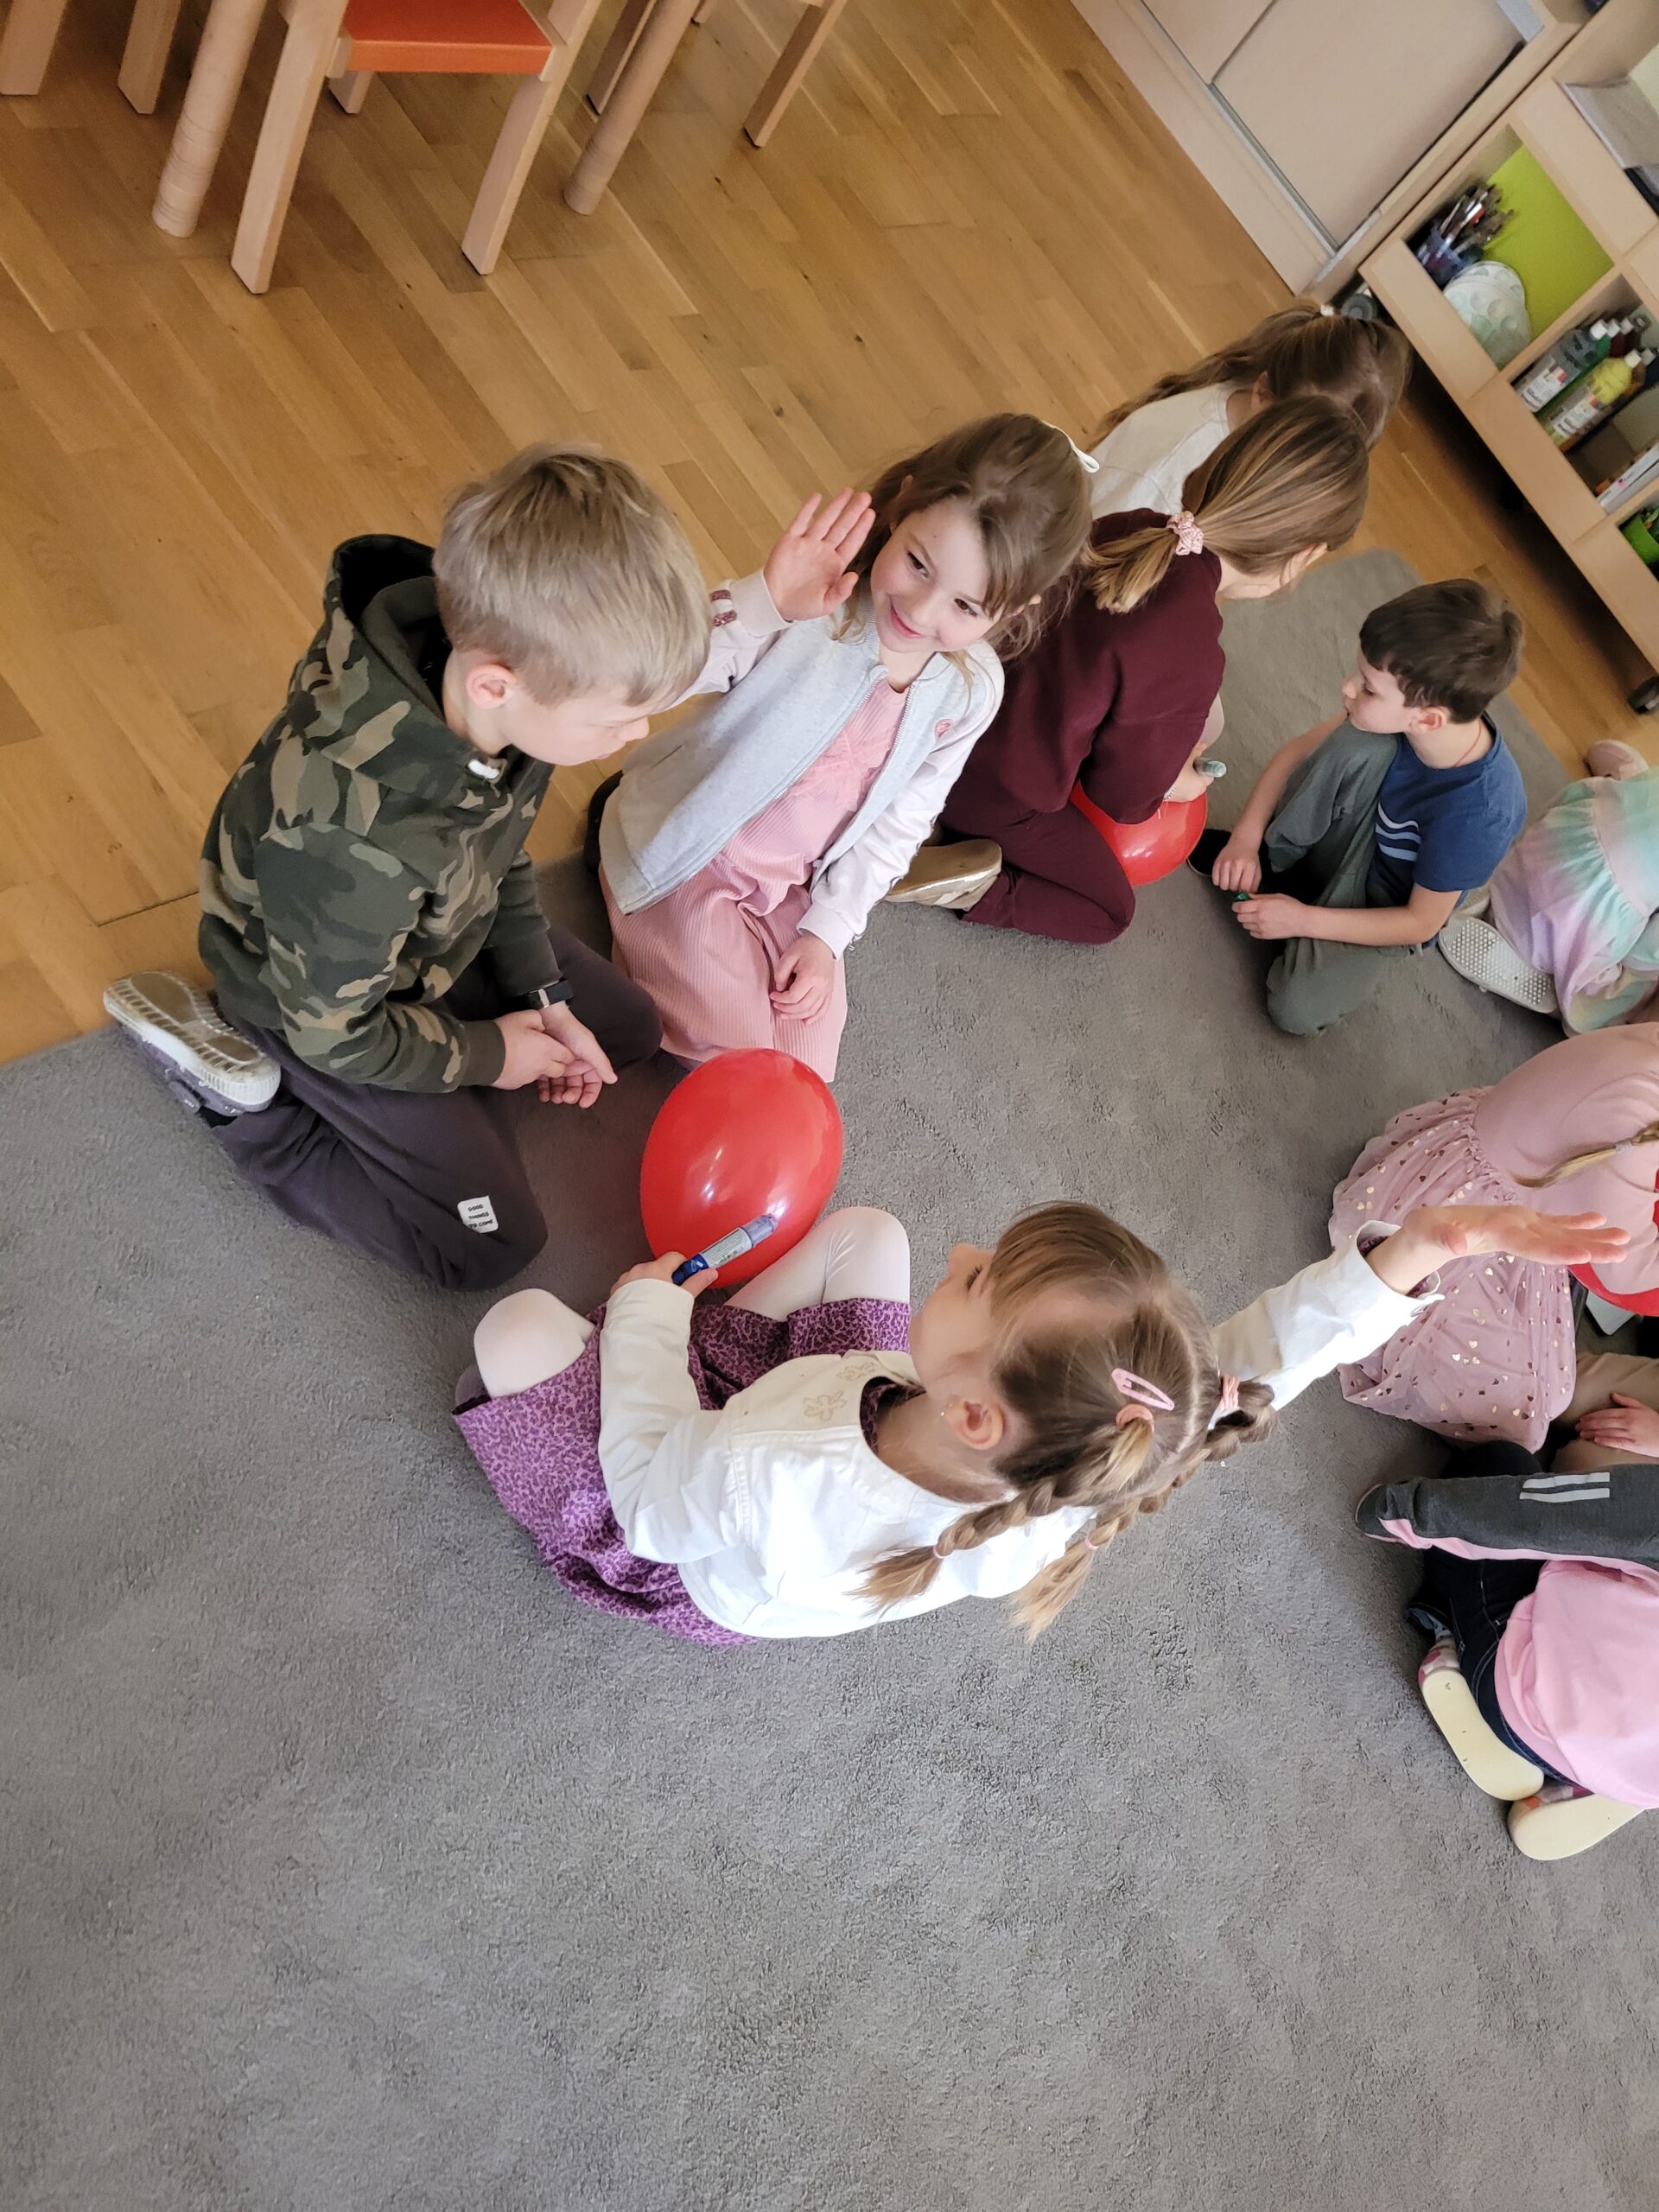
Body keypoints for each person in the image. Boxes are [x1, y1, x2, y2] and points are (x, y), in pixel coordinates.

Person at [454, 1198, 1624, 1644]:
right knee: (871, 1234)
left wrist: (649, 1318)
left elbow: (655, 1502)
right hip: (832, 1424)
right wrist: (1420, 1250)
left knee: (517, 1332)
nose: (963, 1250)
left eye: (977, 1278)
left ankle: (657, 1330)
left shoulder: (776, 1465)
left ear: (976, 1409)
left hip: (695, 1522)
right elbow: (1259, 1363)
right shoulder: (1086, 1460)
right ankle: (683, 1334)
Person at [102, 447, 709, 1292]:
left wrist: (543, 996)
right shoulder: (358, 844)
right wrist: (489, 1056)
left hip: (426, 938)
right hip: (318, 1011)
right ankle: (251, 1109)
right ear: (496, 685)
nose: (635, 736)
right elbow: (336, 1031)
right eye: (616, 719)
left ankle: (449, 1094)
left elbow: (496, 858)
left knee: (629, 1031)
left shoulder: (502, 698)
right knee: (491, 1246)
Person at [593, 416, 1095, 1080]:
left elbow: (901, 823)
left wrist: (827, 934)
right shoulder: (810, 608)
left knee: (804, 1061)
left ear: (1015, 609)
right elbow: (662, 673)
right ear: (902, 505)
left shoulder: (971, 692)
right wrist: (765, 601)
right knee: (737, 1055)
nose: (920, 611)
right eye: (917, 564)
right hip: (685, 855)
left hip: (787, 890)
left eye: (966, 607)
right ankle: (643, 953)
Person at [912, 397, 1368, 944]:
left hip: (939, 711)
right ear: (1304, 556)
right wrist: (1174, 784)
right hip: (988, 789)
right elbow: (1121, 800)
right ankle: (962, 882)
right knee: (1108, 911)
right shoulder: (1192, 652)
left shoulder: (1137, 527)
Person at [1196, 578, 1527, 1034]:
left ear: (1427, 720)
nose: (1348, 687)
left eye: (1368, 688)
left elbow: (1418, 924)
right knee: (1357, 737)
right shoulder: (1395, 717)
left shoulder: (1483, 814)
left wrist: (1303, 919)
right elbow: (1296, 752)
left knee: (1295, 1010)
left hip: (1385, 906)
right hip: (1355, 840)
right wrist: (1246, 839)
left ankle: (1300, 903)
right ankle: (1279, 862)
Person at [1358, 1386, 1659, 1858]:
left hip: (1525, 1691)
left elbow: (1539, 1517)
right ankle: (1598, 1780)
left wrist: (1397, 1512)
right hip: (1635, 1764)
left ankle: (1452, 1636)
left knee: (1500, 1464)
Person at [1330, 1025, 1659, 1449]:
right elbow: (1625, 1277)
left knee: (1553, 1383)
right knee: (1528, 1414)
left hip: (1466, 1169)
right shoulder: (1638, 1119)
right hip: (1469, 1212)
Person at [1087, 298, 1408, 520]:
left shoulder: (1255, 436)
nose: (1300, 468)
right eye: (1295, 449)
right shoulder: (1167, 474)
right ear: (1263, 393)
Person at [1439, 739, 1659, 1027]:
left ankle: (1504, 893)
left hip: (1555, 838)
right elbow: (1647, 950)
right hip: (1579, 912)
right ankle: (1574, 995)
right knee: (1637, 981)